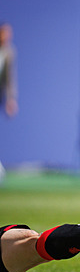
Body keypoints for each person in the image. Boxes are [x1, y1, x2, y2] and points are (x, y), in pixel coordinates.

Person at [0, 22, 17, 183]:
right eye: (4, 33)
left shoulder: (9, 52)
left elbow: (9, 78)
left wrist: (11, 99)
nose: (7, 36)